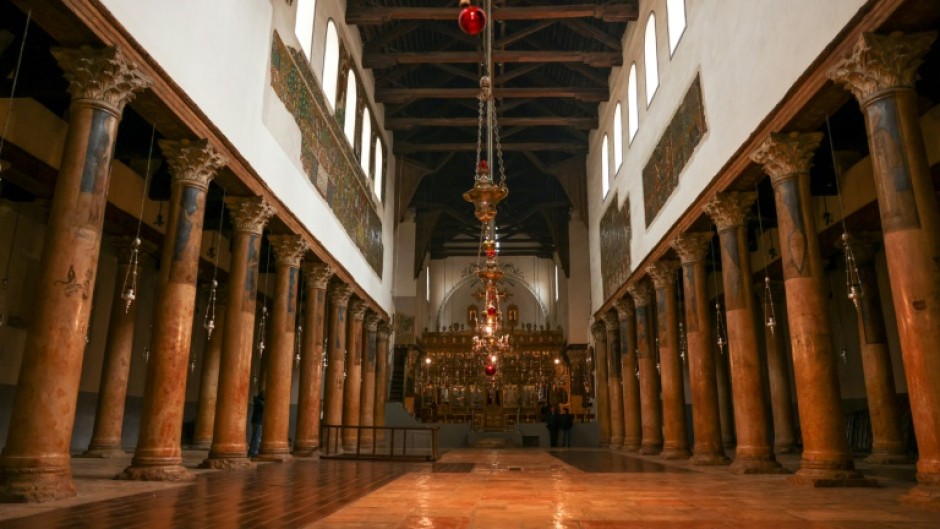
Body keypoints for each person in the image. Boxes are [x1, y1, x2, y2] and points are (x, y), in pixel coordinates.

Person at [248, 391, 265, 457]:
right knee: (257, 437)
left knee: (255, 436)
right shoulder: (261, 403)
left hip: (255, 421)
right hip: (258, 422)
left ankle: (252, 450)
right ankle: (254, 451)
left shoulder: (257, 402)